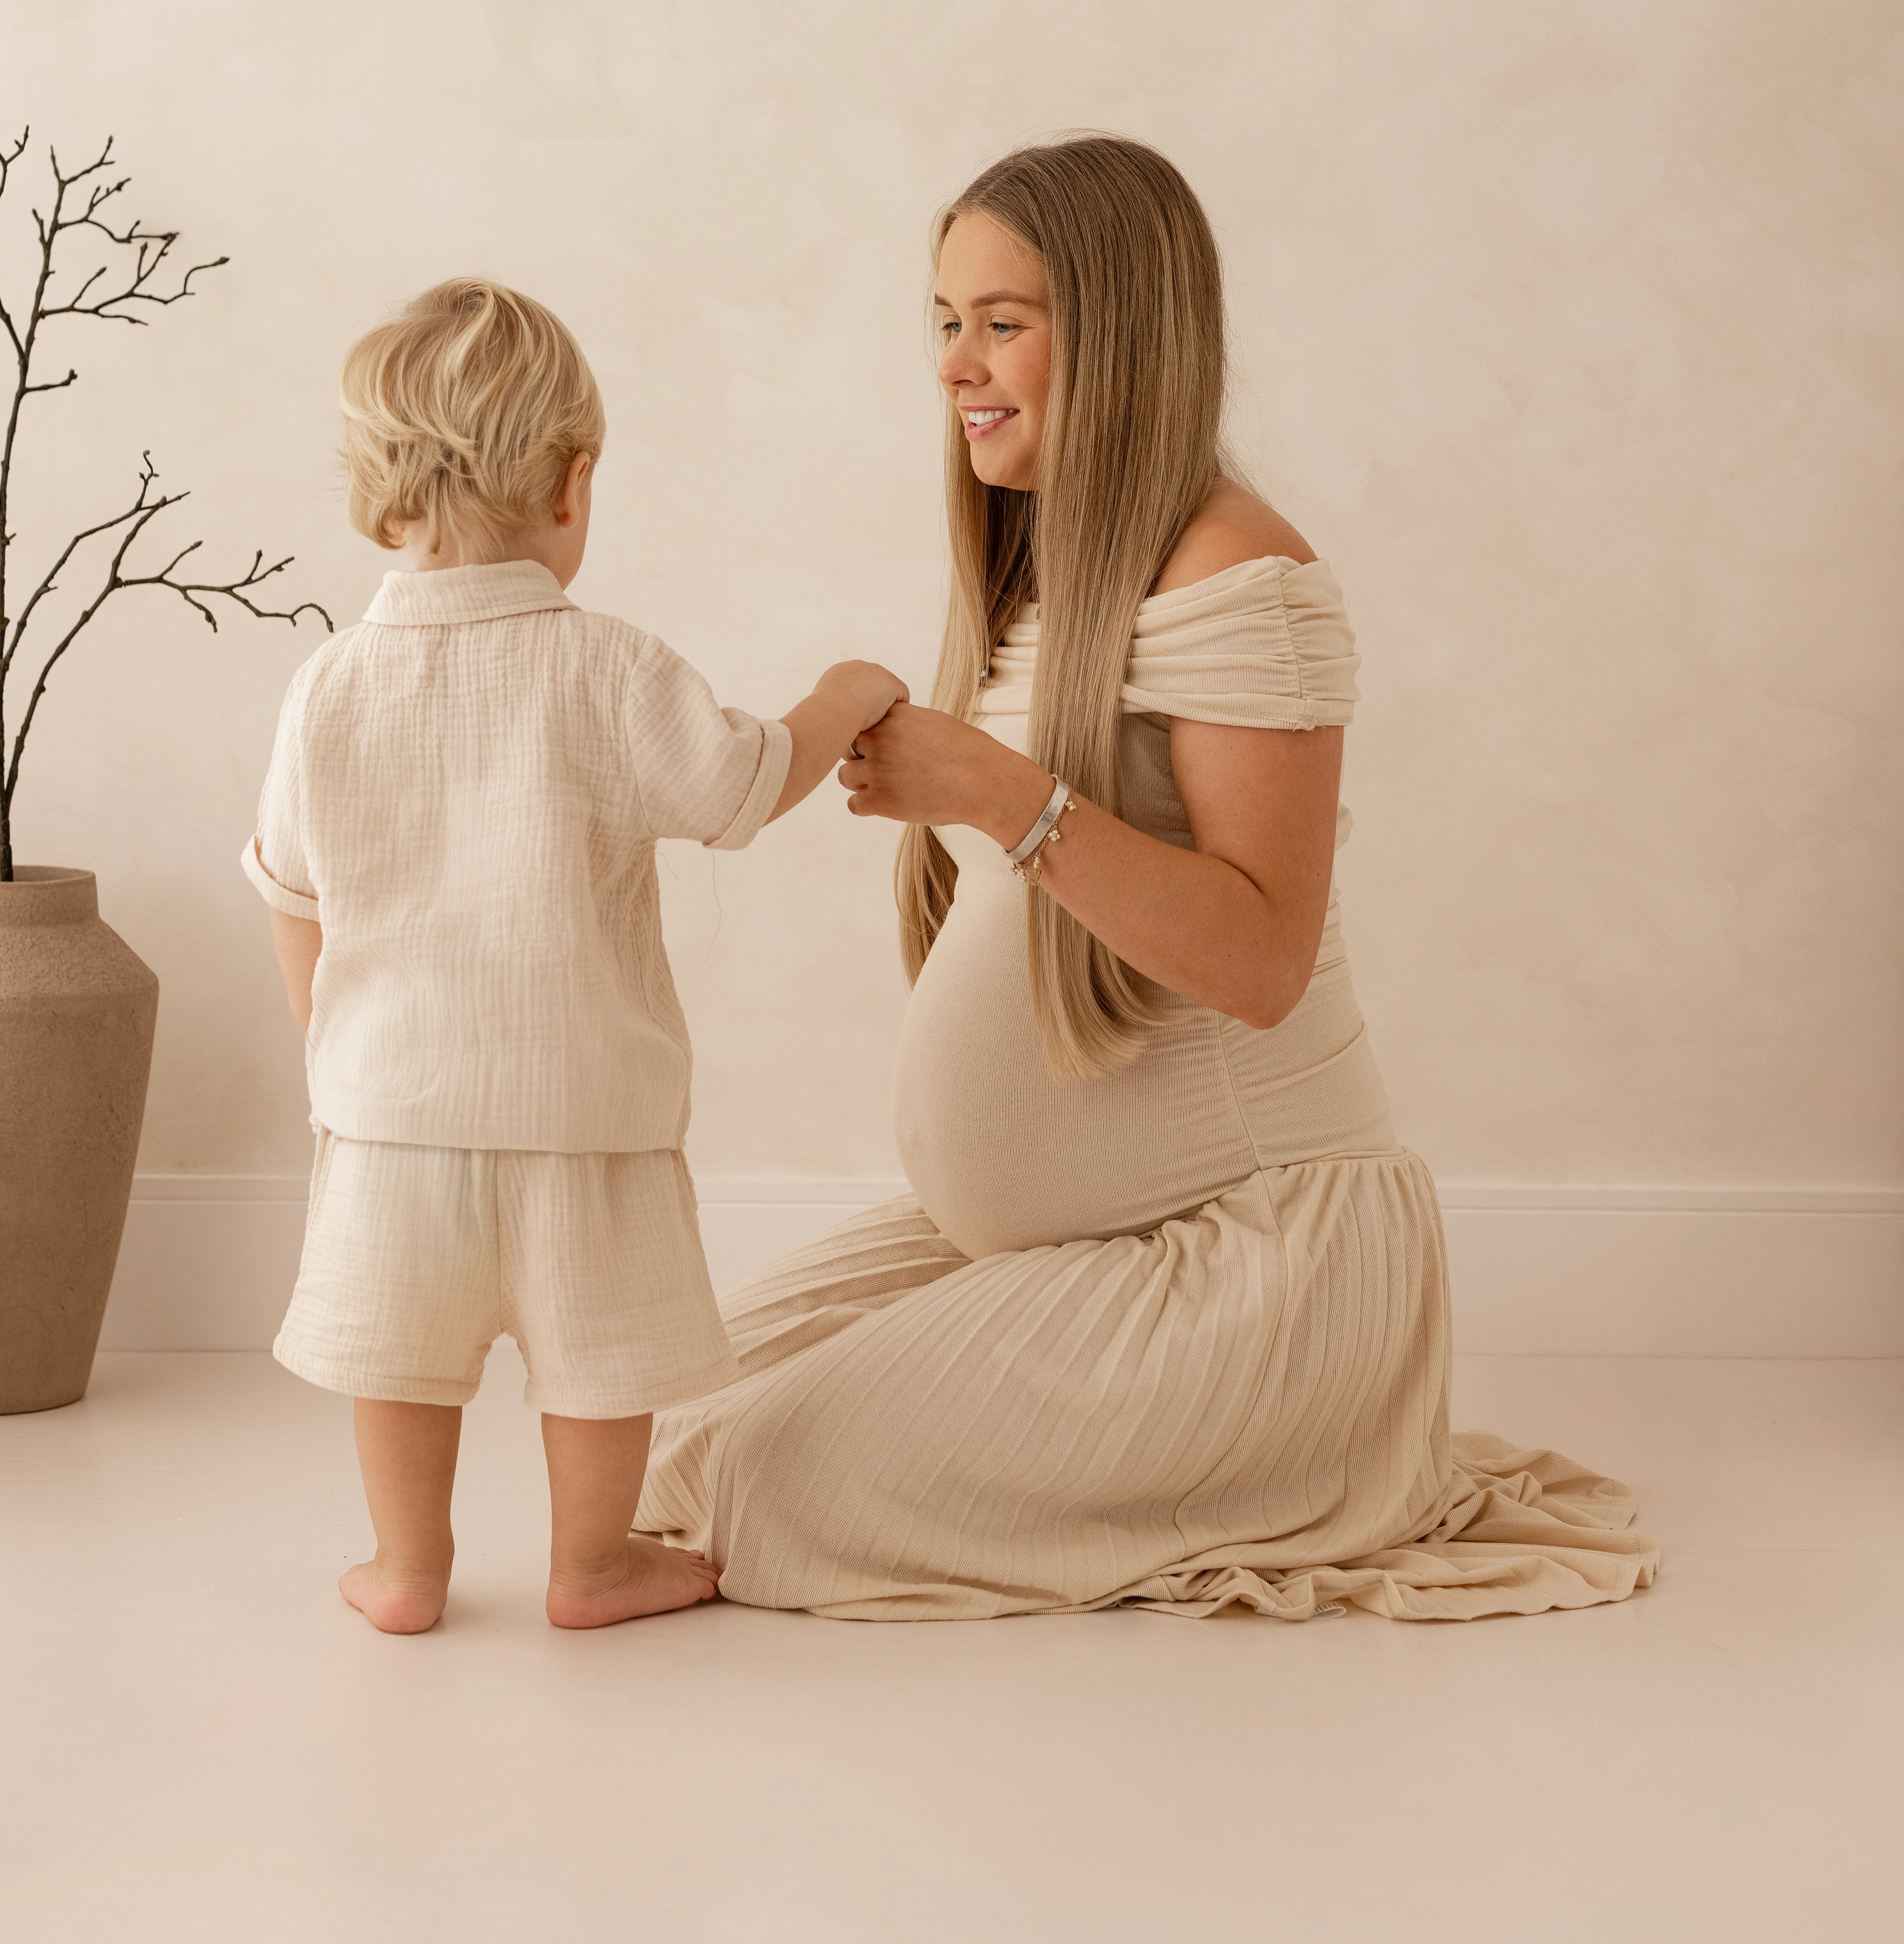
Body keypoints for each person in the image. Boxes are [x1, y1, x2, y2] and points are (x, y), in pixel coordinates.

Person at [640, 134, 1658, 1621]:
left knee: (761, 1485)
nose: (955, 366)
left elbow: (1258, 963)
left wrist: (1000, 794)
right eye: (942, 320)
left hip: (1255, 1264)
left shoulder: (1242, 577)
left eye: (1004, 321)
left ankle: (1266, 1437)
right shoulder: (1056, 563)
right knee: (664, 1426)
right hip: (1068, 1231)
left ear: (1116, 332)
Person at [242, 278, 902, 1633]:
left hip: (391, 1120)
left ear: (379, 489)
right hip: (584, 1115)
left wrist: (335, 1055)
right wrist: (844, 697)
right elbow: (740, 788)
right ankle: (593, 1565)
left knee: (404, 1364)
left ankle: (408, 1570)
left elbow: (290, 889)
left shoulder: (330, 684)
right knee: (599, 1363)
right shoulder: (608, 669)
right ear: (573, 485)